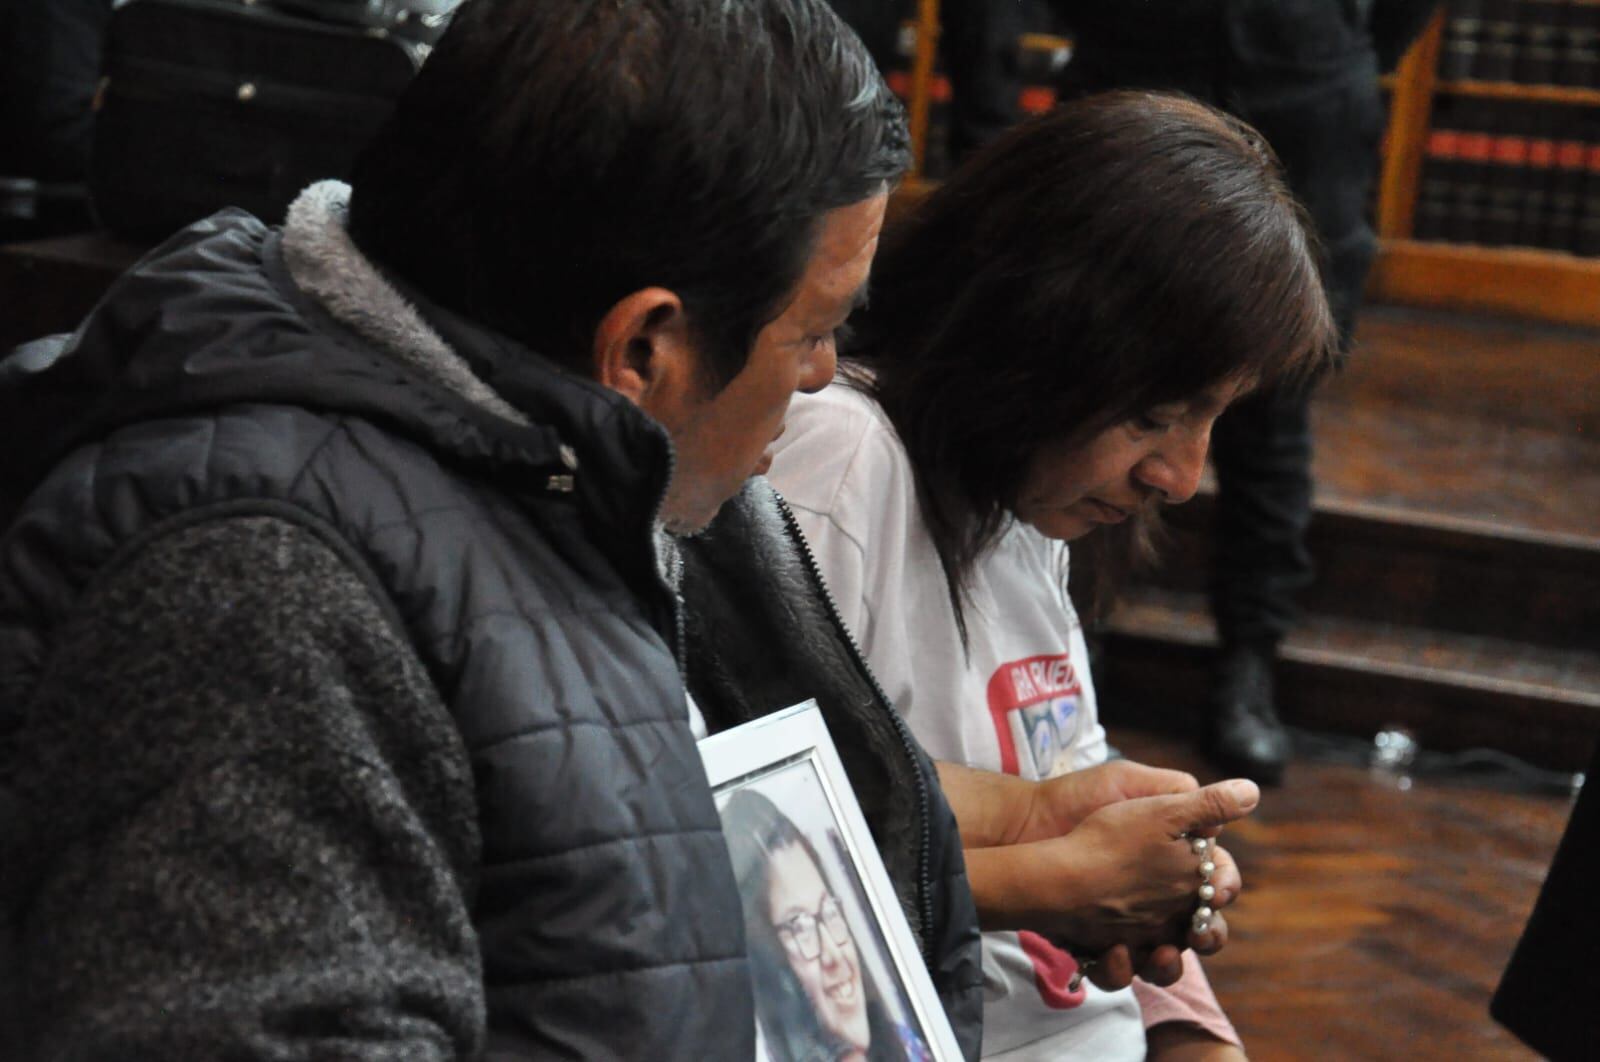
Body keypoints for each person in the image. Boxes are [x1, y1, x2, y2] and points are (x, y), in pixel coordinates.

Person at [0, 1, 988, 1056]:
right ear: (643, 349)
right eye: (814, 330)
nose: (824, 372)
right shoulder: (254, 595)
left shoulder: (604, 475)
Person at [768, 91, 1337, 1060]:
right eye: (1154, 416)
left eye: (1212, 422)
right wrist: (1069, 882)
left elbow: (1075, 782)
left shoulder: (1025, 508)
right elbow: (764, 847)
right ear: (1034, 339)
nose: (1183, 477)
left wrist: (1188, 1019)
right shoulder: (839, 461)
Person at [1047, 0, 1441, 784]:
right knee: (1091, 386)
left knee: (1275, 405)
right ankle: (1068, 647)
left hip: (1304, 97)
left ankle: (1248, 670)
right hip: (1138, 79)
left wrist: (1331, 40)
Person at [721, 788, 931, 1062]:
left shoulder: (909, 1046)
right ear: (767, 967)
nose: (834, 954)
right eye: (799, 927)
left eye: (828, 911)